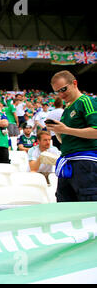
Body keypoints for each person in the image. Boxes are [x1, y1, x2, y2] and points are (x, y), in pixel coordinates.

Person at [46, 70, 97, 202]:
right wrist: (57, 130)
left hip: (85, 162)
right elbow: (65, 140)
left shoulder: (86, 101)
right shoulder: (67, 109)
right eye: (57, 91)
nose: (61, 94)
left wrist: (66, 129)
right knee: (65, 205)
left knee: (87, 205)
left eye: (63, 89)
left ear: (74, 83)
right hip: (68, 163)